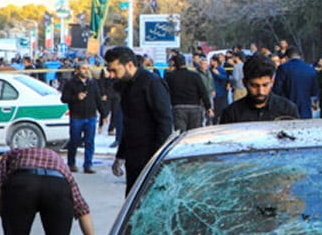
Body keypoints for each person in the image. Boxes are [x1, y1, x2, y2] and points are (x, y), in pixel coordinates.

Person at [105, 45, 174, 194]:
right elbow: (129, 123)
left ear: (129, 65)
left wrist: (157, 158)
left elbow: (164, 122)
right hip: (133, 155)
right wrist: (120, 155)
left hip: (150, 155)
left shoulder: (151, 83)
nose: (112, 75)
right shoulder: (125, 86)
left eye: (114, 70)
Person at [222, 54, 300, 123]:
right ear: (244, 83)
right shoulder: (231, 114)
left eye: (265, 85)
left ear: (272, 81)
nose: (261, 91)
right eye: (254, 86)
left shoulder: (288, 110)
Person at [61, 61, 102, 173]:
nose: (85, 71)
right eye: (83, 68)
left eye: (87, 68)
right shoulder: (71, 83)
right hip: (76, 116)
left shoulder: (92, 83)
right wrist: (76, 97)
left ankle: (88, 164)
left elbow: (97, 98)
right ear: (78, 70)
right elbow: (64, 98)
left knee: (89, 141)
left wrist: (103, 114)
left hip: (91, 116)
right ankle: (71, 163)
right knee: (74, 141)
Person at [165, 52, 211, 131]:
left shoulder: (170, 77)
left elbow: (165, 93)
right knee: (194, 134)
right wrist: (208, 107)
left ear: (174, 64)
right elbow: (203, 91)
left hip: (178, 108)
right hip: (195, 107)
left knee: (181, 134)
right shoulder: (195, 75)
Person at [273, 45, 319, 120]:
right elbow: (314, 92)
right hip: (305, 110)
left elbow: (277, 89)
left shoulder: (283, 68)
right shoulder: (310, 69)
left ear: (287, 57)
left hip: (287, 110)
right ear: (300, 56)